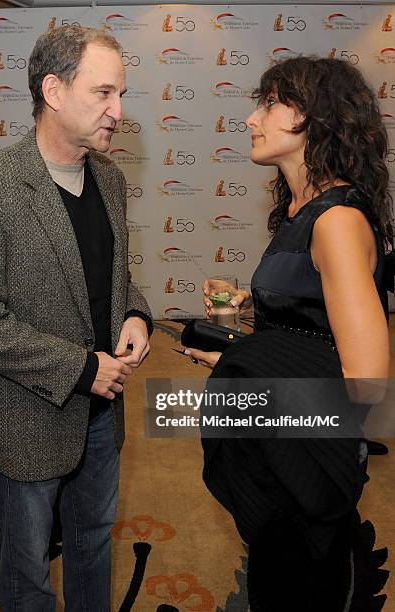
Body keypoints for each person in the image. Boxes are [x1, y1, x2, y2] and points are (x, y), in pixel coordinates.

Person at [0, 25, 152, 612]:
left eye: (121, 94)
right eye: (104, 93)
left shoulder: (109, 180)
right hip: (29, 416)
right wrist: (81, 368)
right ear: (54, 91)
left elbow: (112, 277)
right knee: (27, 568)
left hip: (105, 416)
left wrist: (136, 314)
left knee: (92, 545)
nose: (118, 110)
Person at [185, 56, 391, 610]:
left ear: (317, 119)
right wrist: (240, 345)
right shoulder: (299, 210)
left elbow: (367, 382)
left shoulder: (337, 222)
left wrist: (250, 360)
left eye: (271, 103)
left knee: (299, 586)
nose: (252, 118)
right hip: (279, 438)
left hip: (311, 453)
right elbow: (309, 325)